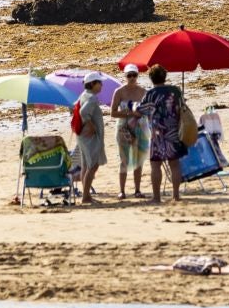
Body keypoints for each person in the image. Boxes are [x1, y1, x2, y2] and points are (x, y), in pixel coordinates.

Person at [141, 64, 186, 204]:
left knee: (155, 165)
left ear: (151, 78)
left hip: (157, 133)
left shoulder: (150, 94)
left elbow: (142, 110)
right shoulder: (176, 90)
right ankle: (176, 195)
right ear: (165, 77)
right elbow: (182, 107)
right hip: (173, 130)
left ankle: (156, 197)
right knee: (175, 164)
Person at [70, 75, 108, 204]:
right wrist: (90, 124)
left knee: (86, 165)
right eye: (99, 83)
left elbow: (74, 107)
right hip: (90, 136)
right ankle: (86, 197)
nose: (101, 85)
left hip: (82, 136)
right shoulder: (91, 98)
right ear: (92, 84)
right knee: (93, 165)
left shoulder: (84, 94)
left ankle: (86, 195)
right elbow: (83, 112)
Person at [112, 66, 148, 198]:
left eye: (134, 75)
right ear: (125, 76)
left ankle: (137, 190)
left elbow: (148, 111)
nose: (132, 78)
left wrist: (140, 113)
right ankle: (122, 190)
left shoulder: (143, 92)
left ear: (137, 76)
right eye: (129, 75)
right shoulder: (119, 92)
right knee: (124, 160)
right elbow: (113, 113)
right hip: (123, 129)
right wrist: (128, 113)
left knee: (139, 160)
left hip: (140, 128)